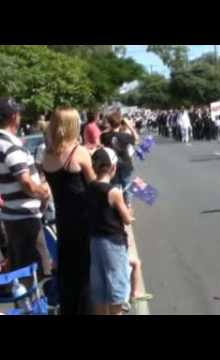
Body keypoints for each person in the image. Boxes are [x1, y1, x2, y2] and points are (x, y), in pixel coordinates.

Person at [42, 107, 97, 314]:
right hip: (83, 219)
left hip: (63, 219)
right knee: (85, 272)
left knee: (68, 269)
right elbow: (94, 187)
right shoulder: (79, 153)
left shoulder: (45, 156)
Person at [0, 97, 52, 285]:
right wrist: (43, 192)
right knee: (37, 272)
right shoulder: (11, 146)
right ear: (14, 117)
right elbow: (27, 183)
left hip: (11, 215)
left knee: (21, 271)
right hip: (25, 217)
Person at [88, 147, 134, 315]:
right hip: (113, 242)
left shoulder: (90, 187)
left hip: (94, 240)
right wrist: (129, 209)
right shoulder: (113, 192)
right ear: (113, 167)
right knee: (116, 286)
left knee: (99, 287)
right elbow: (126, 219)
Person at [101, 112, 139, 207]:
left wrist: (110, 127)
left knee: (115, 185)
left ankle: (118, 204)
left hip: (112, 164)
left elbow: (101, 138)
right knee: (127, 184)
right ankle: (128, 204)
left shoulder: (105, 136)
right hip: (125, 163)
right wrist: (129, 126)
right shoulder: (125, 136)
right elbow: (136, 139)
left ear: (110, 123)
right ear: (120, 122)